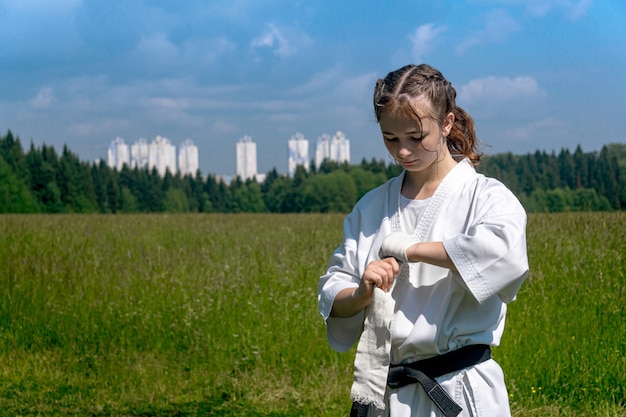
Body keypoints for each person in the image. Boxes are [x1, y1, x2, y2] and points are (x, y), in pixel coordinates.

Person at [317, 64, 529, 417]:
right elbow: (333, 287)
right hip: (386, 395)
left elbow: (503, 257)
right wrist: (360, 294)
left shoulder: (486, 197)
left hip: (460, 391)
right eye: (390, 138)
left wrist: (410, 250)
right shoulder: (371, 208)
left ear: (446, 123)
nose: (403, 151)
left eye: (416, 137)